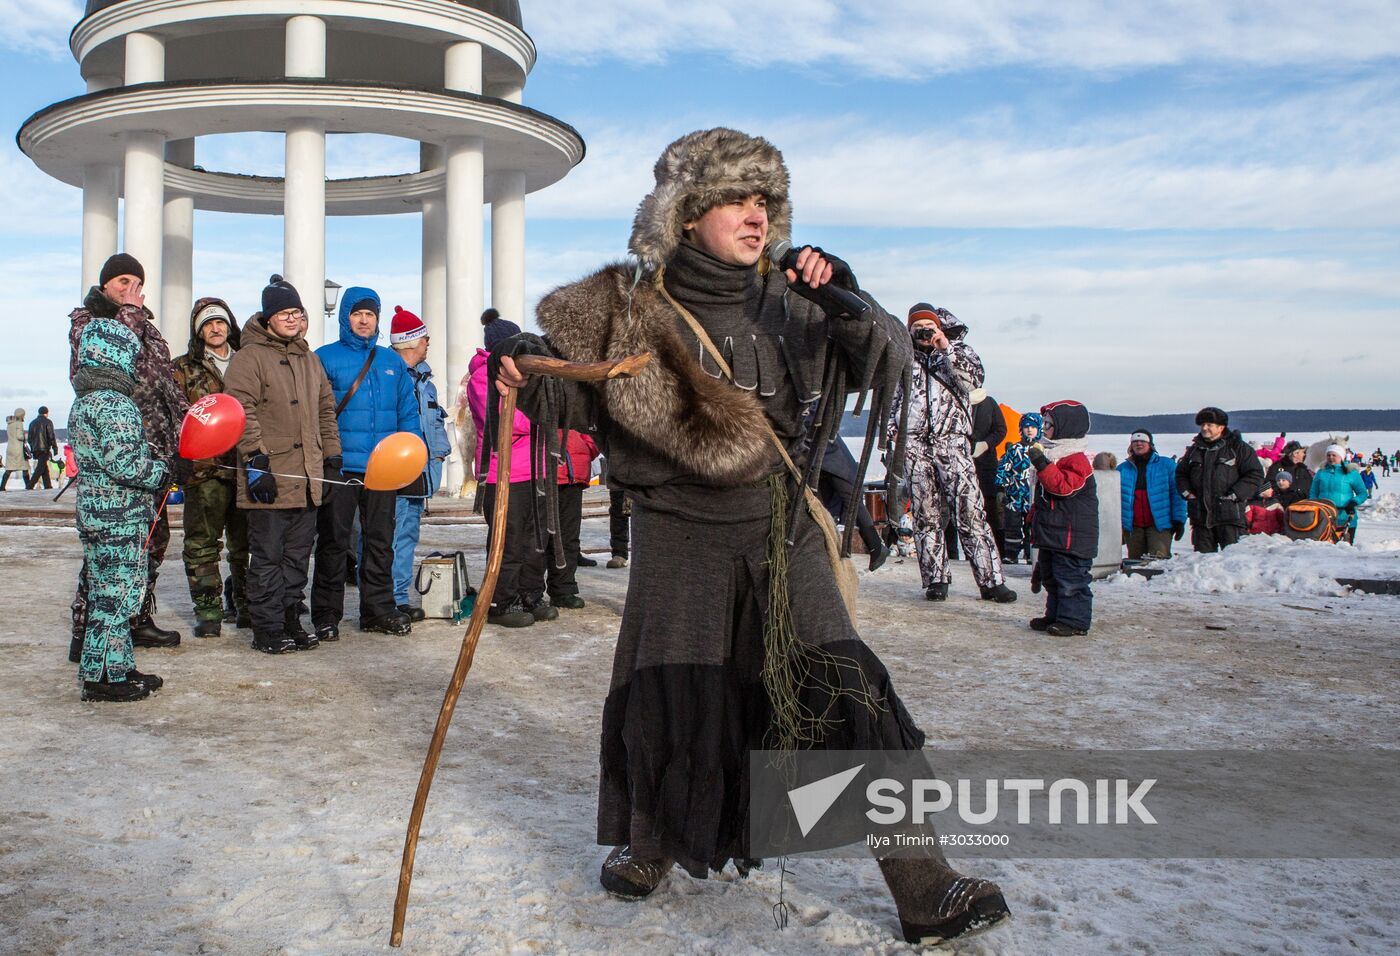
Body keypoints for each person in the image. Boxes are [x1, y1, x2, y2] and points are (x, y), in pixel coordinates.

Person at [492, 128, 1008, 945]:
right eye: (735, 198)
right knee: (675, 692)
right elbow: (568, 405)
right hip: (676, 532)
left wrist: (848, 296)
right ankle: (655, 840)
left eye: (764, 199)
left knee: (847, 685)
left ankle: (924, 882)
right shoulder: (622, 311)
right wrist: (522, 368)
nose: (755, 215)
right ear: (685, 213)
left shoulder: (795, 298)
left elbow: (888, 362)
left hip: (779, 525)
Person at [68, 252, 186, 651]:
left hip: (156, 451)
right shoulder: (89, 323)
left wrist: (190, 423)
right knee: (112, 547)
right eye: (122, 282)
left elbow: (166, 387)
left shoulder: (150, 330)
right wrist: (132, 314)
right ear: (104, 287)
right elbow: (93, 372)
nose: (130, 290)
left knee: (151, 542)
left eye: (136, 283)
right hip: (120, 455)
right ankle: (89, 628)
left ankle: (134, 617)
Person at [225, 276, 342, 654]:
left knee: (296, 556)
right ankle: (267, 626)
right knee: (268, 557)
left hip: (307, 477)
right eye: (284, 313)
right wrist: (256, 459)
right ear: (268, 317)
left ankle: (291, 616)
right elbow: (240, 409)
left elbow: (326, 411)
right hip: (270, 477)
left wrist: (331, 456)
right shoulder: (249, 358)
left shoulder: (310, 359)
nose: (292, 319)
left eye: (296, 312)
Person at [312, 286, 423, 640]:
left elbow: (408, 412)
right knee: (333, 542)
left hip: (384, 469)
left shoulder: (390, 361)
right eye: (358, 314)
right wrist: (327, 459)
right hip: (342, 466)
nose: (364, 320)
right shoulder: (325, 358)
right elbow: (318, 413)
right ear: (346, 318)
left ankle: (377, 609)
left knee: (380, 542)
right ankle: (326, 615)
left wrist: (412, 460)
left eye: (370, 314)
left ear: (377, 319)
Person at [68, 320, 169, 701]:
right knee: (118, 598)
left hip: (93, 513)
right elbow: (125, 465)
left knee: (104, 593)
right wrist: (160, 470)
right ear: (118, 355)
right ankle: (100, 679)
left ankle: (118, 666)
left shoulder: (84, 401)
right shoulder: (116, 404)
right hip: (120, 518)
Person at [896, 304, 1016, 603]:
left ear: (939, 327)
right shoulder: (901, 358)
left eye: (928, 325)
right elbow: (891, 401)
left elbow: (974, 382)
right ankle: (936, 579)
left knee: (971, 512)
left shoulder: (959, 352)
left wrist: (945, 348)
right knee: (926, 516)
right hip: (914, 444)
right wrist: (892, 442)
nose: (923, 331)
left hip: (953, 443)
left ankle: (991, 582)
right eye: (917, 327)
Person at [468, 311, 557, 627]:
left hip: (536, 471)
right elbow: (510, 421)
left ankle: (531, 594)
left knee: (536, 539)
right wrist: (537, 409)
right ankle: (502, 600)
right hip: (502, 474)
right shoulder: (482, 378)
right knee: (508, 540)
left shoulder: (529, 377)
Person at [173, 297, 250, 637]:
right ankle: (208, 611)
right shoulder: (182, 368)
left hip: (246, 468)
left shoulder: (248, 363)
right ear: (198, 331)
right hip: (203, 472)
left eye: (219, 322)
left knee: (246, 544)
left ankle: (246, 603)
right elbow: (175, 418)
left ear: (229, 325)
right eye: (207, 324)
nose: (215, 329)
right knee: (202, 543)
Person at [386, 306, 451, 621]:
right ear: (410, 342)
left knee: (407, 535)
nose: (428, 343)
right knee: (392, 537)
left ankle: (398, 597)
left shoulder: (426, 380)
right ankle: (390, 599)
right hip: (395, 471)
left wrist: (438, 455)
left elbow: (435, 424)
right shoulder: (388, 374)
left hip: (420, 472)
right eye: (425, 338)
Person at [1027, 401, 1098, 636]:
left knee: (1071, 580)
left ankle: (1074, 620)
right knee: (1052, 577)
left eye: (1049, 424)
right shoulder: (1054, 455)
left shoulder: (1076, 459)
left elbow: (1063, 487)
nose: (1044, 428)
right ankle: (1056, 615)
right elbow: (1045, 496)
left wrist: (1042, 463)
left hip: (1071, 536)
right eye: (1045, 423)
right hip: (1054, 534)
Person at [1176, 407, 1264, 553]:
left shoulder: (1238, 448)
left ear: (1221, 427)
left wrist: (1235, 494)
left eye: (1209, 425)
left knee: (1232, 560)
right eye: (1202, 425)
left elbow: (1255, 474)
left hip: (1230, 516)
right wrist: (1187, 493)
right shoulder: (1194, 450)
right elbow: (1181, 474)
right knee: (1201, 562)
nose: (1205, 428)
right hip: (1200, 517)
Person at [547, 428, 601, 609]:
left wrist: (587, 447)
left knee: (568, 536)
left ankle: (563, 589)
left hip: (572, 472)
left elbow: (590, 424)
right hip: (542, 471)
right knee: (539, 538)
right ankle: (531, 591)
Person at [818, 435, 889, 571]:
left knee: (847, 494)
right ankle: (874, 544)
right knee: (842, 495)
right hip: (816, 448)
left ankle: (875, 544)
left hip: (823, 447)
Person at [1116, 430, 1186, 559]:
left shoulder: (1166, 465)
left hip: (1159, 524)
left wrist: (1179, 520)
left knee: (1158, 560)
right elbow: (1114, 500)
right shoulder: (1122, 469)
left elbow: (1177, 494)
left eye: (1143, 441)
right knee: (1135, 563)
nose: (1139, 444)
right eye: (1135, 441)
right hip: (1133, 527)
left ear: (1150, 444)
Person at [995, 412, 1041, 564]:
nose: (1029, 430)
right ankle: (1011, 553)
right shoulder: (1015, 449)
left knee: (1032, 527)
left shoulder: (1042, 451)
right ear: (1021, 429)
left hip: (1033, 497)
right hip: (1014, 496)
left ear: (1038, 429)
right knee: (1012, 527)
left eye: (1033, 427)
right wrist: (1001, 489)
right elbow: (1004, 468)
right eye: (1026, 427)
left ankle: (1030, 554)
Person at [968, 390, 1007, 560]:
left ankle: (999, 552)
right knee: (963, 508)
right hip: (960, 462)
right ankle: (961, 554)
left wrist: (986, 444)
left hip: (986, 463)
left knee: (990, 507)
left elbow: (1001, 430)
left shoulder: (989, 402)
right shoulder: (954, 401)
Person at [1313, 445, 1369, 544]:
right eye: (1328, 455)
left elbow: (1363, 493)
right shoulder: (1321, 472)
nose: (1330, 457)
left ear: (1341, 457)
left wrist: (1353, 502)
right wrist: (1314, 506)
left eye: (1334, 455)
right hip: (1324, 517)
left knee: (1345, 550)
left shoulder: (1351, 473)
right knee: (1323, 549)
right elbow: (1313, 492)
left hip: (1345, 516)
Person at [24, 406, 59, 490]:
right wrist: (55, 447)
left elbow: (29, 438)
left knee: (43, 466)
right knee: (40, 468)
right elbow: (51, 436)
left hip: (36, 449)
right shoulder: (48, 422)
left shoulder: (32, 423)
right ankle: (30, 485)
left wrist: (33, 447)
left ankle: (48, 485)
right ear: (46, 413)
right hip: (44, 449)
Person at [2, 409, 30, 490]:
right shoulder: (19, 423)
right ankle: (28, 486)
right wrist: (25, 436)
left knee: (9, 469)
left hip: (10, 447)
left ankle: (2, 487)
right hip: (18, 449)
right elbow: (19, 436)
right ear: (22, 415)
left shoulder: (9, 424)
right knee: (25, 467)